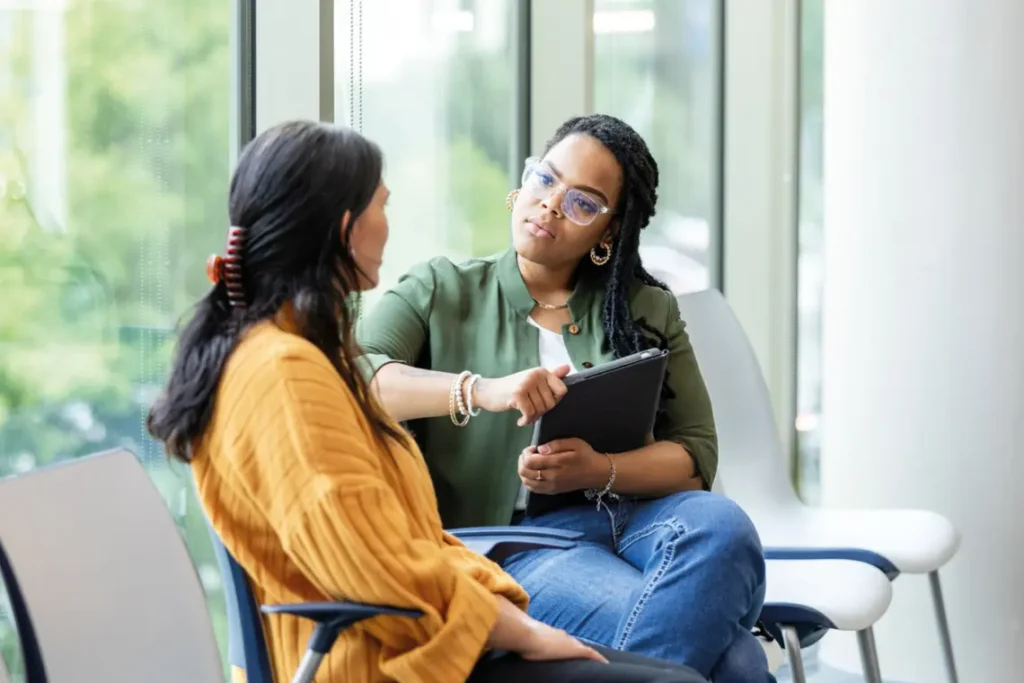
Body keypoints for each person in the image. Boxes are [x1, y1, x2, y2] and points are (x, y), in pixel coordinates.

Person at [146, 120, 705, 683]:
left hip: (428, 629)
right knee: (682, 677)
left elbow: (402, 545)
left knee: (720, 612)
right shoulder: (286, 372)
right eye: (382, 205)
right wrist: (518, 627)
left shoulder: (299, 356)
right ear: (346, 227)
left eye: (583, 202)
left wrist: (501, 605)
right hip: (386, 658)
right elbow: (371, 565)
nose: (390, 225)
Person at [357, 114, 774, 682]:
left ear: (609, 232)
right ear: (521, 185)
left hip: (638, 522)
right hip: (513, 546)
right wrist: (482, 390)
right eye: (545, 180)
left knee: (722, 526)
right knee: (738, 659)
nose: (551, 205)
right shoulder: (441, 288)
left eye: (583, 203)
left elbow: (695, 455)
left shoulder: (647, 307)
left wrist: (598, 469)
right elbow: (358, 378)